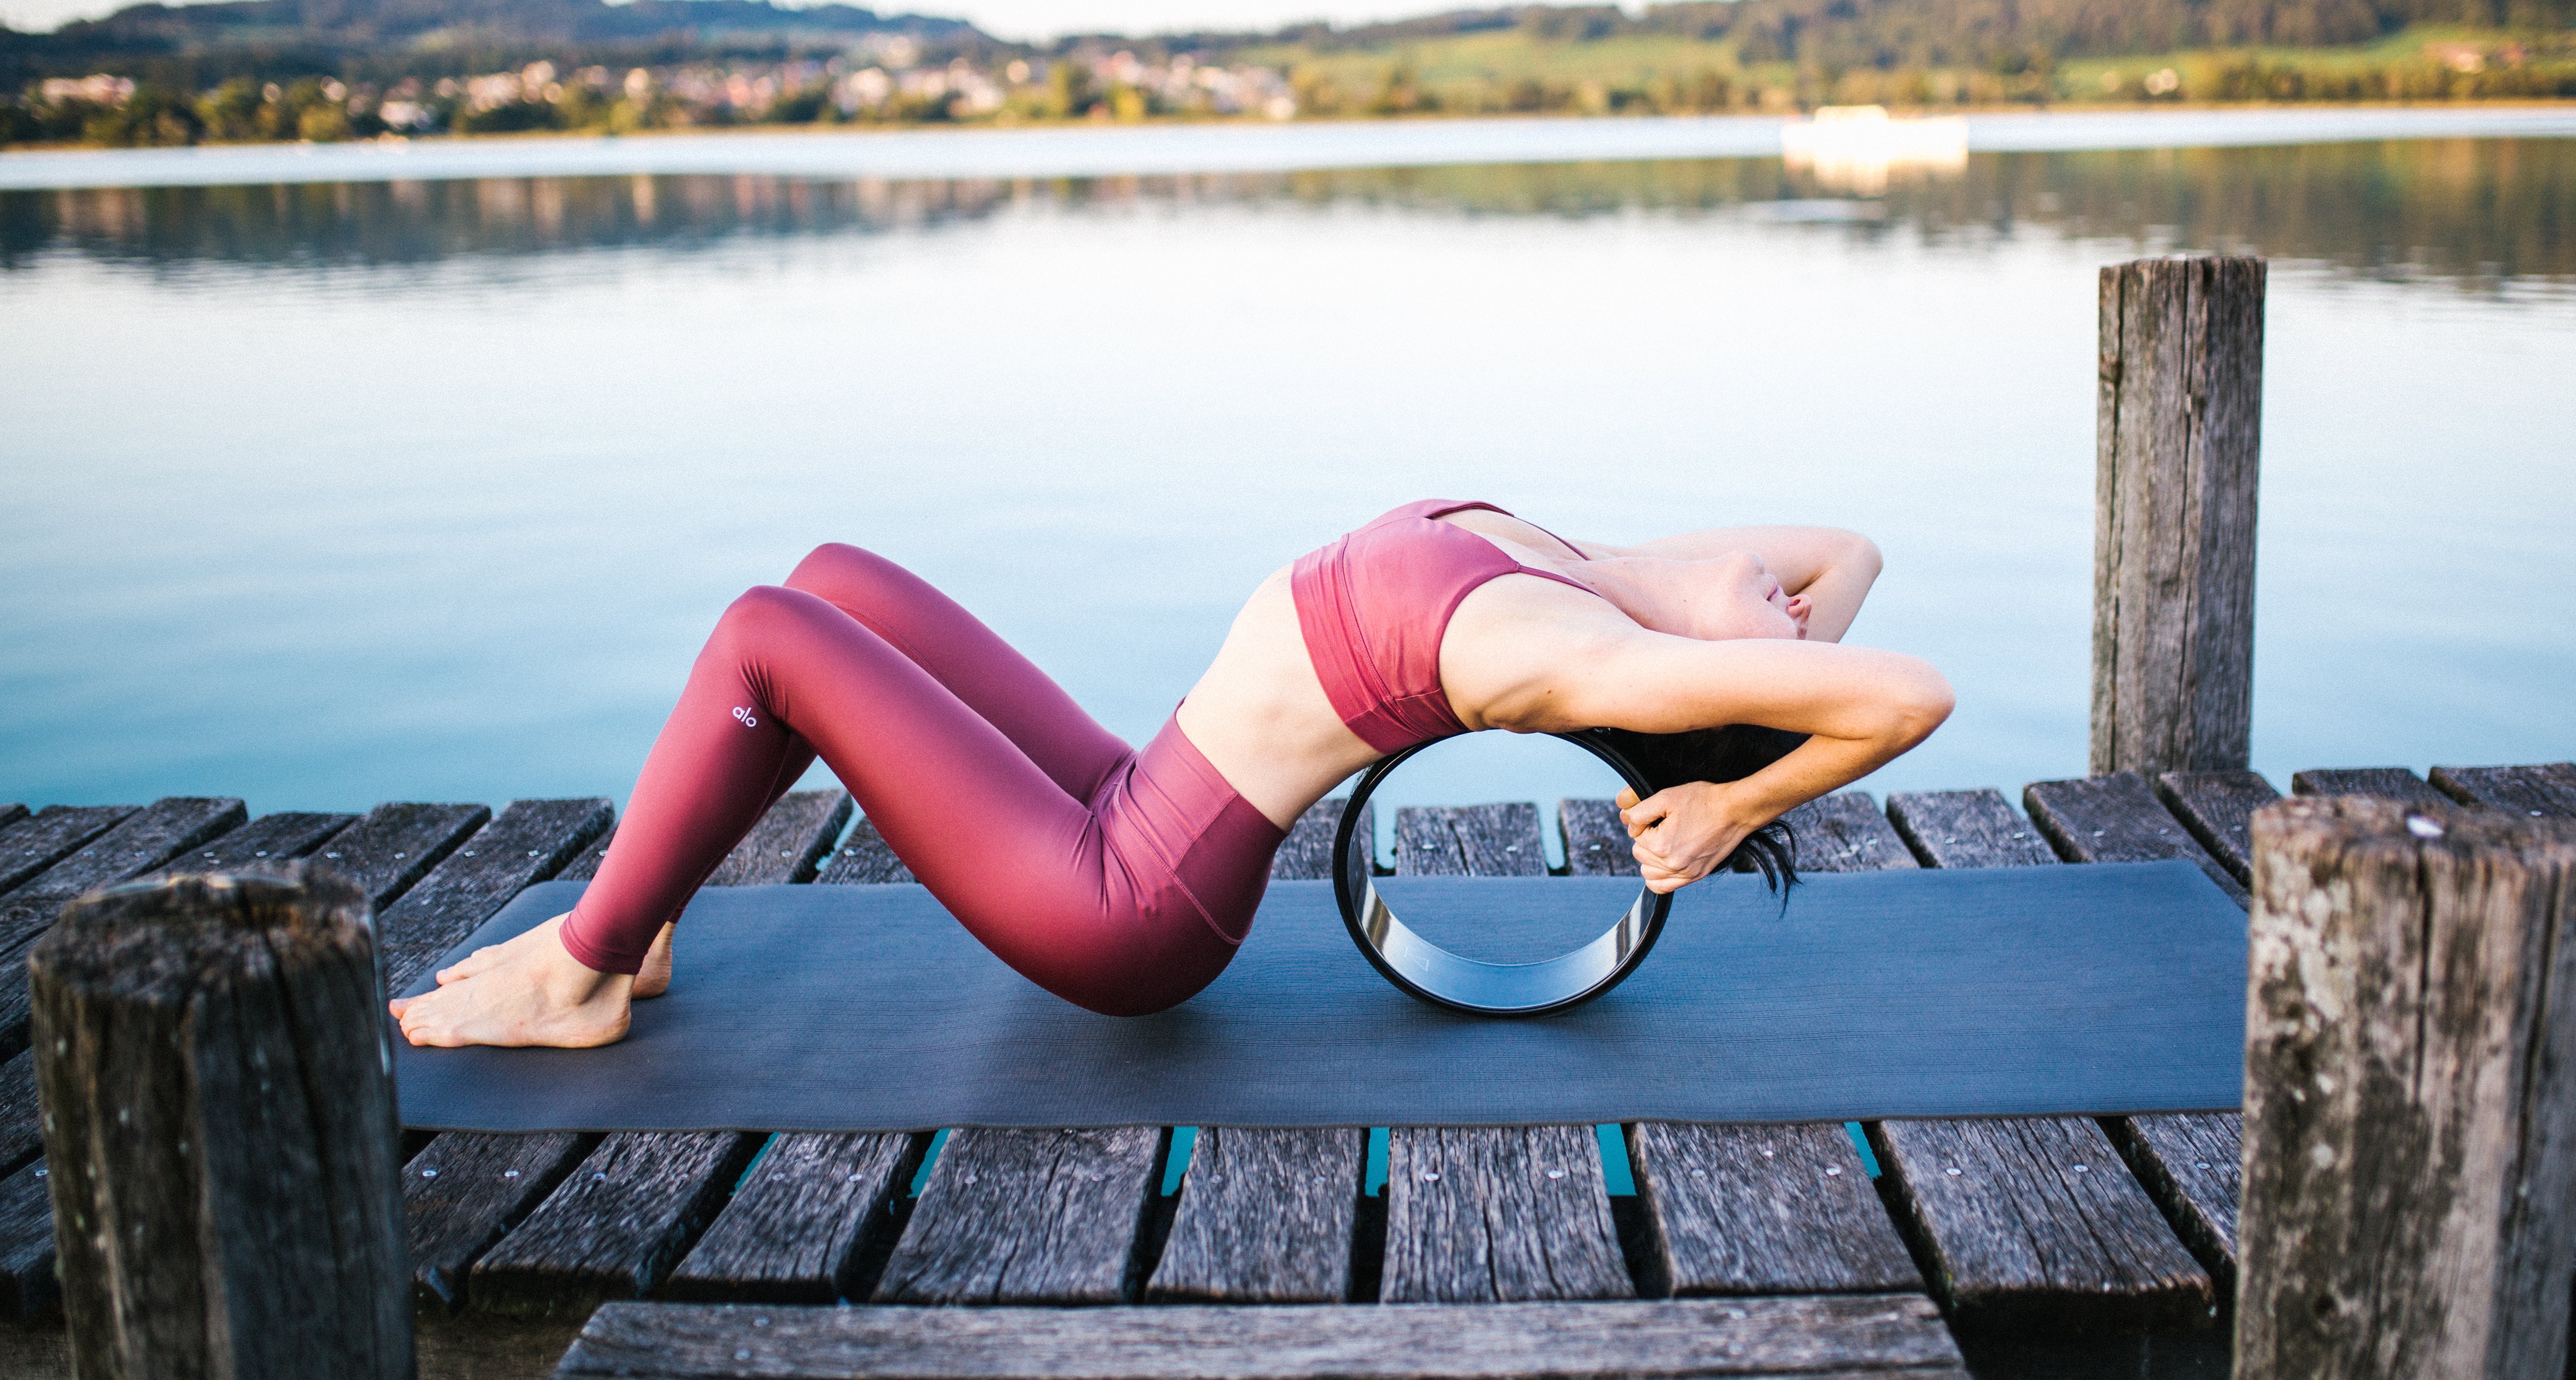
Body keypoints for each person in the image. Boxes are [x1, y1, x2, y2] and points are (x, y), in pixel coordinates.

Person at [389, 501, 1951, 1047]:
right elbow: (1850, 552)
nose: (1805, 608)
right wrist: (1773, 640)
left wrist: (1739, 800)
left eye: (1789, 638)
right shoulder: (1617, 570)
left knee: (764, 636)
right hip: (1139, 781)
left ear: (1704, 697)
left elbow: (1908, 692)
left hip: (1130, 907)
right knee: (832, 579)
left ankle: (587, 973)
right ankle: (651, 909)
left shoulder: (1598, 661)